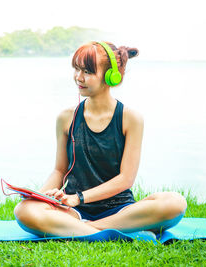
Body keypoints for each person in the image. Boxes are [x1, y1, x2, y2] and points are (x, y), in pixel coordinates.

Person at [13, 41, 187, 237]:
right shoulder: (65, 117)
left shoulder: (131, 118)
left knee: (175, 203)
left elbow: (125, 179)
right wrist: (40, 196)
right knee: (24, 210)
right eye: (77, 69)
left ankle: (89, 230)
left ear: (111, 76)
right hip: (73, 212)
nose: (78, 77)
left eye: (87, 71)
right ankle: (111, 231)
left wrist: (78, 198)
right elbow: (59, 170)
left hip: (119, 209)